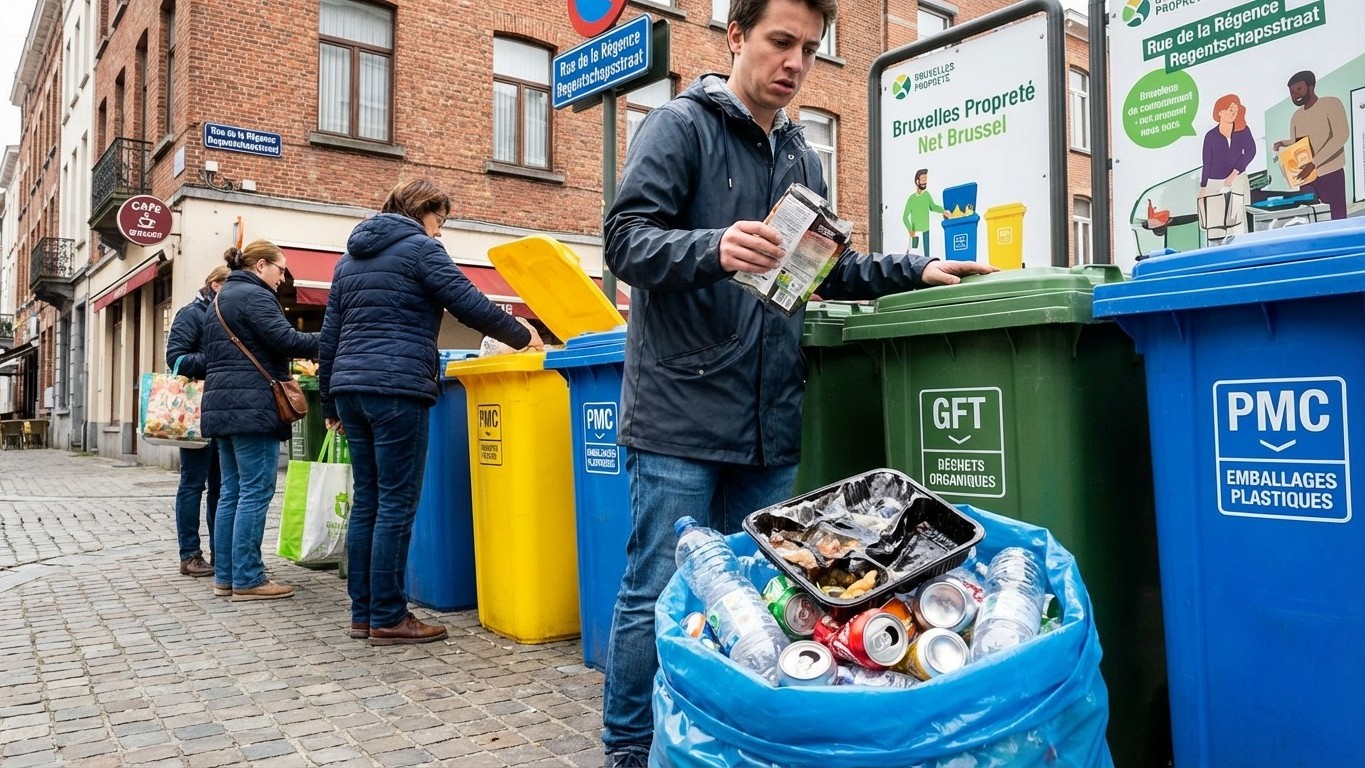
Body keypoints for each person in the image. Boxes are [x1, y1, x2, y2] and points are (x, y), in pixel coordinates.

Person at [598, 0, 997, 762]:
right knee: (656, 588)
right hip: (680, 411)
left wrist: (911, 269)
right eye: (780, 42)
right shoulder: (678, 126)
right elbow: (625, 241)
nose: (794, 64)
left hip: (768, 414)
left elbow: (819, 268)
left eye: (809, 50)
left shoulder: (801, 155)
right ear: (736, 36)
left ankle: (726, 738)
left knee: (761, 596)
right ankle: (626, 748)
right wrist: (714, 247)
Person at [319, 179, 543, 646]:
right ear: (423, 211)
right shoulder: (421, 250)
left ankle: (364, 613)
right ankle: (388, 615)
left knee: (370, 500)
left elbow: (329, 335)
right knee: (397, 504)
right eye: (439, 220)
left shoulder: (347, 261)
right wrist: (525, 336)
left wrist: (328, 401)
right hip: (397, 388)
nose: (440, 231)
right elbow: (469, 304)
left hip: (350, 390)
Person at [201, 241, 320, 602]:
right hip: (252, 407)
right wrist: (329, 338)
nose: (283, 278)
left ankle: (227, 575)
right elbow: (285, 340)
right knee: (255, 490)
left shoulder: (220, 298)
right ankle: (250, 578)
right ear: (261, 265)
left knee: (231, 493)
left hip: (223, 406)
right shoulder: (256, 295)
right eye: (281, 270)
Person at [165, 265, 230, 577]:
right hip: (194, 413)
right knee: (193, 483)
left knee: (222, 485)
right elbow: (176, 359)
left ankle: (221, 554)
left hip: (223, 411)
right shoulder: (191, 314)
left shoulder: (226, 313)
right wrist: (216, 359)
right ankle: (189, 555)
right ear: (215, 284)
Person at [1272, 70, 1350, 220]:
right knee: (1312, 219)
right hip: (1306, 178)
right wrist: (1283, 143)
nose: (1295, 94)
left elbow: (1340, 136)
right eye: (1292, 92)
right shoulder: (1296, 116)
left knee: (1337, 218)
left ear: (1311, 86)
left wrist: (1314, 163)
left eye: (1299, 89)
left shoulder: (1331, 104)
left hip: (1330, 173)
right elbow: (1299, 142)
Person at [1198, 93, 1256, 242]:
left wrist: (1234, 173)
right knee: (1215, 225)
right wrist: (1204, 187)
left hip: (1237, 180)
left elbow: (1251, 151)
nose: (1234, 113)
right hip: (1214, 182)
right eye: (1231, 109)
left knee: (1238, 223)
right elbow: (1207, 162)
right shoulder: (1210, 136)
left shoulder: (1243, 130)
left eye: (1236, 110)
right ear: (1220, 112)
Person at [902, 168, 947, 258]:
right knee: (914, 257)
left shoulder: (927, 195)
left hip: (926, 231)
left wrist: (943, 211)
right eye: (923, 180)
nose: (925, 182)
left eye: (926, 179)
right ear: (917, 181)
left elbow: (933, 207)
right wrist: (910, 230)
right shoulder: (912, 199)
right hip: (916, 233)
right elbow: (905, 217)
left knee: (926, 257)